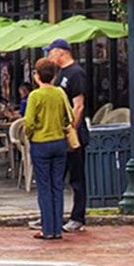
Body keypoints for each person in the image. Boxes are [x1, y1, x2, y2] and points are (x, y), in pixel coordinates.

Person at [24, 58, 72, 240]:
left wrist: (31, 133)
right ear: (54, 75)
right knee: (57, 186)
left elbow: (28, 122)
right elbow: (69, 116)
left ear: (37, 76)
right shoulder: (60, 93)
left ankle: (47, 227)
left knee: (44, 187)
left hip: (41, 142)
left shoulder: (35, 96)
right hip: (59, 141)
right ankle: (58, 227)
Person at [46, 38, 89, 233]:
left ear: (61, 52)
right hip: (57, 132)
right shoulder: (60, 73)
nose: (49, 56)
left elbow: (78, 104)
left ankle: (77, 216)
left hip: (72, 133)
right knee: (55, 176)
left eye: (51, 52)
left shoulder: (76, 73)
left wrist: (72, 129)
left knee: (76, 177)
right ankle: (51, 215)